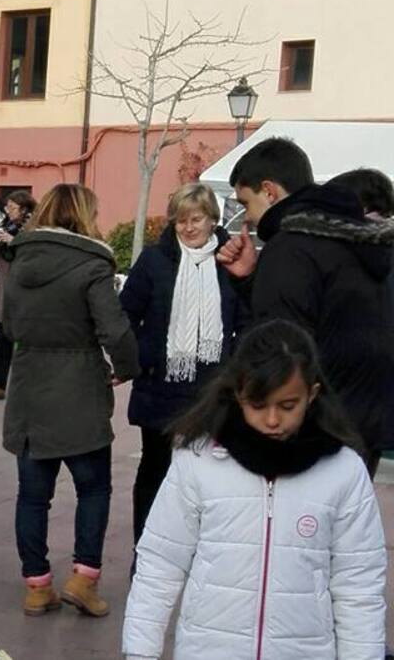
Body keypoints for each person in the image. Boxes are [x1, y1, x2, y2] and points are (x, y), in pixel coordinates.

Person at [122, 319, 385, 660]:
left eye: (288, 406)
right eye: (258, 406)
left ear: (312, 393)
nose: (273, 420)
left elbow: (359, 584)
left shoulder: (344, 471)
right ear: (238, 394)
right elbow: (160, 564)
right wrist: (140, 651)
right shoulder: (198, 460)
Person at [0, 184, 139, 618]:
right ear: (85, 214)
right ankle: (83, 579)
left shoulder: (20, 257)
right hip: (79, 384)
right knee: (93, 488)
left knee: (32, 495)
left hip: (29, 385)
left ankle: (37, 586)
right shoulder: (92, 263)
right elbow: (113, 329)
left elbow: (7, 323)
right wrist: (126, 366)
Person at [216, 138, 394, 475]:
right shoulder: (350, 240)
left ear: (269, 191)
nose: (249, 219)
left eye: (247, 203)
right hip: (364, 420)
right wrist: (251, 278)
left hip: (317, 431)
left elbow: (280, 347)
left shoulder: (292, 246)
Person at [117, 183, 246, 547]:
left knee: (208, 472)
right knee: (155, 470)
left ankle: (200, 547)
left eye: (197, 219)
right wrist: (144, 355)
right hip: (161, 383)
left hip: (211, 386)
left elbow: (244, 318)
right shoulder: (154, 261)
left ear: (212, 220)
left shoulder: (229, 259)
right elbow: (126, 312)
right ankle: (146, 546)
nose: (189, 228)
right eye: (180, 221)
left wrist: (234, 366)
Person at [0, 190, 36, 399]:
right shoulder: (4, 227)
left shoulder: (34, 230)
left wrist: (13, 241)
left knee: (26, 340)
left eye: (11, 208)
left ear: (24, 209)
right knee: (4, 337)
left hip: (25, 292)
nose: (7, 211)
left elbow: (35, 257)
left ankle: (27, 385)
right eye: (7, 207)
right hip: (5, 291)